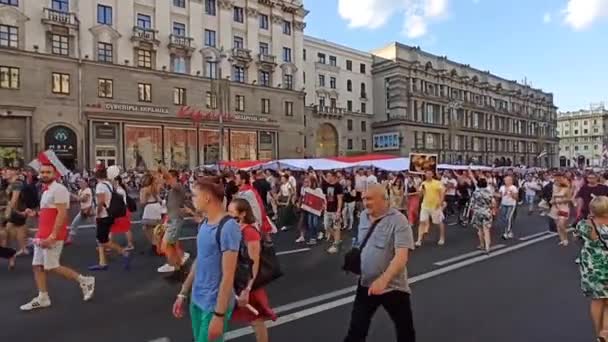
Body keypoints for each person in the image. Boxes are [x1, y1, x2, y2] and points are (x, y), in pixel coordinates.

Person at [343, 184, 416, 342]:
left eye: (369, 199)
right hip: (366, 285)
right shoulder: (363, 216)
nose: (365, 202)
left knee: (405, 331)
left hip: (393, 287)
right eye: (363, 199)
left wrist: (383, 280)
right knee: (356, 330)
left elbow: (401, 256)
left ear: (384, 199)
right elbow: (362, 242)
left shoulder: (399, 220)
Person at [172, 178, 241, 342]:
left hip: (213, 304)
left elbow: (228, 276)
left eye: (195, 195)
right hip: (197, 299)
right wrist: (183, 293)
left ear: (207, 197)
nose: (192, 199)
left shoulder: (228, 227)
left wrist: (219, 315)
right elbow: (200, 260)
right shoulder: (204, 223)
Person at [19, 163, 95, 311]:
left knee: (52, 266)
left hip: (53, 235)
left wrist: (53, 236)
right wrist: (34, 213)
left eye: (48, 172)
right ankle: (43, 297)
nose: (45, 174)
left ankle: (85, 280)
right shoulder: (45, 190)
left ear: (54, 174)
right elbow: (49, 213)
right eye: (43, 172)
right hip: (42, 233)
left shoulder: (59, 189)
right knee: (37, 266)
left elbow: (62, 214)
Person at [229, 198, 276, 342]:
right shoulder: (237, 229)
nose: (228, 214)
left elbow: (254, 262)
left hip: (248, 282)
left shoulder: (249, 232)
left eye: (231, 211)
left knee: (256, 319)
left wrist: (248, 288)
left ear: (242, 214)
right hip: (238, 279)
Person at [575, 196, 608, 342]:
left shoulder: (583, 224)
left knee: (596, 301)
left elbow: (577, 238)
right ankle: (606, 332)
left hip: (590, 268)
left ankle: (599, 333)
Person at [89, 166, 132, 271]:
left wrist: (96, 214)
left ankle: (123, 252)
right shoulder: (108, 184)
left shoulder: (100, 186)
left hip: (103, 215)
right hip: (110, 214)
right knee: (101, 239)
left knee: (103, 240)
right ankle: (102, 262)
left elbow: (100, 202)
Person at [157, 169, 190, 277]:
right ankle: (178, 267)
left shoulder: (178, 187)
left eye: (168, 178)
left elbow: (172, 181)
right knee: (171, 245)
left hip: (176, 220)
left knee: (165, 246)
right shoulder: (172, 190)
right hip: (172, 219)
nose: (165, 180)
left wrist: (162, 168)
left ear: (174, 178)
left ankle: (175, 266)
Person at [416, 170, 445, 247]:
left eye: (429, 173)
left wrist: (440, 202)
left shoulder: (437, 183)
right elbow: (420, 196)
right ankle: (419, 239)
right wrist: (421, 190)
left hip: (435, 206)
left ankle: (442, 237)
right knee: (422, 222)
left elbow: (442, 193)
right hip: (425, 206)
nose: (428, 175)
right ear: (425, 174)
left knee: (438, 223)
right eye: (427, 174)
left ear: (432, 174)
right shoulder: (423, 183)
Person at [5, 167, 30, 256]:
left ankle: (23, 247)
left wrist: (9, 210)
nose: (4, 173)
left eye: (7, 171)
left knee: (17, 228)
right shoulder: (11, 183)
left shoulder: (16, 183)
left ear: (14, 172)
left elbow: (14, 199)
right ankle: (24, 247)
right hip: (16, 210)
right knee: (15, 228)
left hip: (17, 210)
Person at [469, 178, 495, 254]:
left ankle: (481, 244)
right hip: (486, 212)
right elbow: (492, 203)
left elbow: (472, 204)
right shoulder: (489, 193)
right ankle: (487, 247)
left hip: (477, 212)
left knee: (479, 230)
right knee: (486, 230)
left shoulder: (475, 193)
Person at [140, 173, 163, 254]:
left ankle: (155, 245)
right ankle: (158, 245)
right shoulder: (155, 187)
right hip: (157, 206)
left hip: (149, 208)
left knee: (146, 227)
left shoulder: (144, 189)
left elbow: (142, 202)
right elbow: (159, 199)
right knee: (157, 227)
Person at [67, 178, 94, 245]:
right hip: (83, 211)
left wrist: (72, 194)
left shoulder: (88, 190)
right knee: (74, 223)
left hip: (89, 210)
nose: (80, 184)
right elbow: (79, 200)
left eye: (82, 182)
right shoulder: (80, 191)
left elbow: (83, 199)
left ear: (86, 183)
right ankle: (69, 239)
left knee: (97, 224)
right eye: (79, 182)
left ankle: (103, 240)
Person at [322, 171, 344, 254]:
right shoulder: (326, 185)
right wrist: (324, 205)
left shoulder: (338, 186)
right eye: (327, 176)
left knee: (336, 227)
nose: (328, 177)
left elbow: (339, 199)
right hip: (328, 209)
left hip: (335, 210)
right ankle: (337, 239)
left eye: (329, 176)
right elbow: (325, 197)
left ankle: (336, 244)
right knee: (326, 226)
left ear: (334, 177)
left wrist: (339, 210)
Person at [550, 174, 573, 247]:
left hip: (564, 208)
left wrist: (561, 201)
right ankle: (562, 239)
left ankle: (565, 238)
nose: (557, 181)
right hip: (555, 208)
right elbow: (553, 198)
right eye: (556, 180)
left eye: (559, 180)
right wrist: (552, 201)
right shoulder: (555, 188)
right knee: (557, 225)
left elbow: (569, 199)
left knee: (561, 224)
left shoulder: (566, 189)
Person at [301, 176, 325, 245]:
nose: (307, 183)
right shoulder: (306, 189)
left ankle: (317, 234)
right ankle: (313, 238)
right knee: (310, 223)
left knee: (314, 223)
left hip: (316, 210)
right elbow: (304, 198)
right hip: (309, 209)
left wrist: (322, 207)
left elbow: (321, 199)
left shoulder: (318, 189)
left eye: (309, 182)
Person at [497, 175, 518, 240]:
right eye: (505, 180)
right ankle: (510, 231)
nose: (505, 181)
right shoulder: (502, 187)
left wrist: (512, 194)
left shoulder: (513, 188)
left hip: (511, 205)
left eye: (507, 180)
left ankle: (506, 233)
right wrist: (493, 194)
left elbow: (517, 198)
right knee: (503, 218)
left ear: (511, 181)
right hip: (504, 204)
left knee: (508, 218)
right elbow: (499, 195)